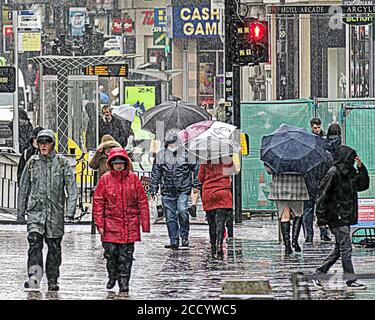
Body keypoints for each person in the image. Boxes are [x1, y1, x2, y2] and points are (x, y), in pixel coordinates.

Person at [17, 129, 77, 291]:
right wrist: (21, 212)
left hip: (55, 214)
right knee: (34, 245)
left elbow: (71, 188)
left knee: (54, 248)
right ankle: (34, 278)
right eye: (40, 143)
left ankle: (52, 279)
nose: (43, 146)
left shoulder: (62, 163)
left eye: (46, 143)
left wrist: (70, 211)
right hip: (36, 212)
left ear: (52, 144)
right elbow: (24, 187)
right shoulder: (32, 163)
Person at [93, 147, 150, 294]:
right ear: (111, 163)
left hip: (129, 225)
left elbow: (142, 201)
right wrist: (100, 224)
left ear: (126, 163)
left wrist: (145, 223)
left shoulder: (133, 179)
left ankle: (124, 282)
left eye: (121, 162)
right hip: (110, 224)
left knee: (126, 256)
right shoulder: (105, 180)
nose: (119, 165)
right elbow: (98, 202)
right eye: (116, 162)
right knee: (111, 254)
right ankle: (113, 275)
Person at [313, 146, 369, 290]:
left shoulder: (349, 173)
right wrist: (321, 219)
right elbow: (322, 196)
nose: (352, 160)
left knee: (339, 249)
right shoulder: (333, 173)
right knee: (346, 248)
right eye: (351, 158)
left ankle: (319, 273)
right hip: (336, 216)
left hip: (345, 215)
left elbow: (362, 185)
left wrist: (361, 168)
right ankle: (350, 280)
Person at [149, 130, 199, 250]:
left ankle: (184, 235)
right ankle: (174, 240)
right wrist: (153, 188)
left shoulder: (187, 154)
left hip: (182, 189)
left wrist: (196, 184)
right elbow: (156, 173)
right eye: (170, 144)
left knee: (182, 211)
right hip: (167, 190)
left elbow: (196, 170)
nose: (172, 146)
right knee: (170, 217)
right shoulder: (161, 155)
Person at [198, 157, 238, 258]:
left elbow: (200, 178)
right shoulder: (226, 159)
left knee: (212, 224)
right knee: (220, 222)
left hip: (209, 193)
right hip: (223, 193)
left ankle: (213, 246)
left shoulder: (205, 160)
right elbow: (233, 171)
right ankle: (220, 244)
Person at [267, 166, 310, 255]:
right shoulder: (301, 154)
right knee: (298, 213)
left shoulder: (275, 154)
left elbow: (269, 170)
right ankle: (294, 240)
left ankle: (287, 245)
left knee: (284, 215)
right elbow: (306, 169)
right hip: (297, 186)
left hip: (280, 186)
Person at [304, 117, 331, 242]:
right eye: (315, 127)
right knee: (310, 208)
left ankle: (323, 233)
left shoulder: (322, 139)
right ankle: (309, 235)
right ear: (311, 126)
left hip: (319, 178)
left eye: (318, 127)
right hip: (312, 179)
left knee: (320, 208)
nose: (316, 129)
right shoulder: (310, 139)